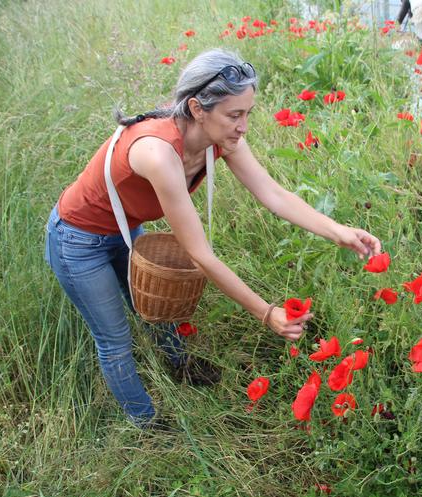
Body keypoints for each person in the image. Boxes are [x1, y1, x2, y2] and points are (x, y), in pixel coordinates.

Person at [44, 48, 382, 428]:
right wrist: (266, 313)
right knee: (115, 339)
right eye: (234, 115)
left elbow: (273, 195)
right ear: (197, 108)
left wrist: (339, 231)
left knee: (155, 311)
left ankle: (180, 364)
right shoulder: (158, 153)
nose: (243, 126)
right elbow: (201, 255)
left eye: (247, 113)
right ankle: (148, 424)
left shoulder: (222, 137)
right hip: (78, 240)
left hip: (124, 228)